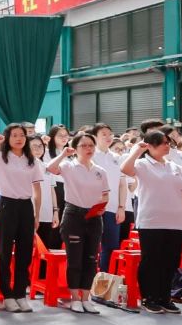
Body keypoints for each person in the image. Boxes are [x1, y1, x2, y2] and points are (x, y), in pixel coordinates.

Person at [0, 124, 43, 313]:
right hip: (6, 205)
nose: (19, 138)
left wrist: (36, 214)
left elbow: (37, 189)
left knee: (24, 253)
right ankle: (7, 295)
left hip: (26, 206)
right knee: (5, 252)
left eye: (22, 135)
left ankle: (20, 294)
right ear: (7, 138)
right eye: (14, 135)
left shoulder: (31, 160)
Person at [120, 131, 182, 314]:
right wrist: (137, 150)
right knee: (151, 261)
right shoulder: (142, 164)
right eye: (163, 143)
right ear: (150, 146)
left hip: (175, 221)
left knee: (171, 261)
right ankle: (149, 297)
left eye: (168, 142)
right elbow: (125, 169)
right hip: (151, 221)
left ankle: (165, 297)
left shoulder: (176, 167)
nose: (167, 145)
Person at [46, 134, 107, 314]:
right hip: (74, 215)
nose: (88, 149)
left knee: (91, 259)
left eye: (91, 145)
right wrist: (64, 154)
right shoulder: (69, 166)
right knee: (75, 259)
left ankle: (86, 298)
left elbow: (105, 193)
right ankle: (74, 298)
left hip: (94, 217)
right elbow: (50, 168)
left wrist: (103, 206)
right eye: (84, 146)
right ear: (76, 148)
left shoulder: (100, 171)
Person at [89, 123, 128, 274]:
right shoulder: (90, 156)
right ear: (95, 137)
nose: (108, 137)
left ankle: (105, 279)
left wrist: (121, 207)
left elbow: (122, 185)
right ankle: (89, 280)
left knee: (111, 247)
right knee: (91, 247)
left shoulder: (117, 158)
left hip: (112, 208)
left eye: (110, 134)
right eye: (104, 134)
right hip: (93, 208)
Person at [30, 135, 61, 249]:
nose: (38, 149)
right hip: (30, 213)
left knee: (44, 249)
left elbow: (52, 189)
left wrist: (55, 211)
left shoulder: (46, 166)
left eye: (40, 146)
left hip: (46, 214)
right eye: (34, 146)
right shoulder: (25, 166)